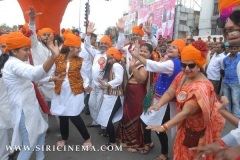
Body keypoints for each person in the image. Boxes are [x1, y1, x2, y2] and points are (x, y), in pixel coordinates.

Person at [146, 40, 225, 160]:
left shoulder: (201, 87)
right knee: (180, 151)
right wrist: (158, 105)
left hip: (197, 130)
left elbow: (186, 112)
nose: (186, 68)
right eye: (183, 65)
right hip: (186, 125)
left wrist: (163, 127)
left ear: (199, 64)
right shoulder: (182, 76)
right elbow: (170, 92)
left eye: (191, 65)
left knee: (192, 155)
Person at [2, 31, 59, 160]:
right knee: (29, 145)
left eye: (29, 49)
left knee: (41, 132)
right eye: (25, 50)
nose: (28, 53)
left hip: (30, 107)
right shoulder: (13, 64)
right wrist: (53, 57)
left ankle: (40, 157)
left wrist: (50, 78)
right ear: (14, 51)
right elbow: (34, 74)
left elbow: (32, 78)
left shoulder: (18, 62)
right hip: (24, 110)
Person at [134, 39, 185, 160]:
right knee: (147, 120)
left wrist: (137, 56)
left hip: (165, 101)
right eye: (170, 46)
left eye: (175, 47)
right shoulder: (173, 61)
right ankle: (148, 143)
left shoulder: (172, 64)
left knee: (160, 127)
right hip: (161, 99)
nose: (170, 48)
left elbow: (156, 66)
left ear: (180, 52)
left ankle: (164, 153)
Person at [48, 33, 92, 149]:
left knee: (74, 115)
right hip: (61, 92)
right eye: (78, 48)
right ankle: (64, 138)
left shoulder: (81, 61)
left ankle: (87, 138)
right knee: (62, 115)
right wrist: (48, 80)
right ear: (71, 48)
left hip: (75, 92)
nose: (80, 50)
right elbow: (51, 72)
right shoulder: (57, 58)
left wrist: (86, 86)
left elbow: (85, 76)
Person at [84, 20, 125, 136]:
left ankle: (104, 127)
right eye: (101, 43)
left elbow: (120, 44)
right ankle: (96, 121)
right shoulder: (96, 53)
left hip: (104, 86)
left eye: (105, 44)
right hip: (94, 85)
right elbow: (87, 46)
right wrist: (88, 34)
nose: (102, 45)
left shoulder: (111, 54)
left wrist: (121, 31)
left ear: (109, 45)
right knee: (92, 104)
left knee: (102, 106)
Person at [116, 42, 153, 153]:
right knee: (127, 115)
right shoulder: (137, 61)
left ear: (150, 54)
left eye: (145, 51)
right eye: (141, 50)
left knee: (135, 117)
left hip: (138, 94)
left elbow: (141, 80)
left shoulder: (147, 65)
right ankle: (127, 140)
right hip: (130, 93)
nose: (142, 53)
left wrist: (133, 67)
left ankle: (136, 142)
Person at [96, 47, 126, 149]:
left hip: (115, 96)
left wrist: (106, 84)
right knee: (106, 117)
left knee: (107, 118)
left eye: (111, 58)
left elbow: (119, 80)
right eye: (108, 58)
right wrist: (104, 83)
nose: (110, 60)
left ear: (116, 57)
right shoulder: (113, 65)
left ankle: (112, 142)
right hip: (111, 96)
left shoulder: (117, 65)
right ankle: (110, 135)